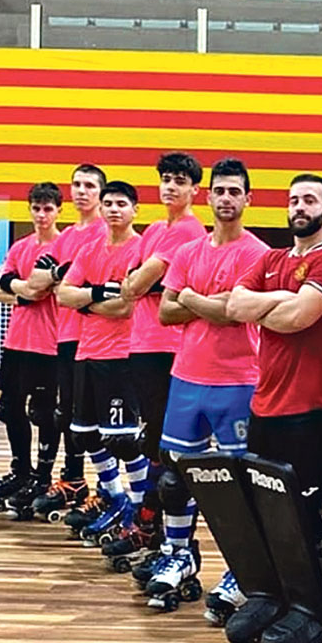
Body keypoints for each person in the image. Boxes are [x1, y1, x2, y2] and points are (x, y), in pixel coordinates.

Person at [226, 173, 322, 643]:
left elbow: (299, 318)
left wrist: (271, 306)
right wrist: (279, 299)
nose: (299, 207)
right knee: (265, 509)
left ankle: (313, 606)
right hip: (266, 404)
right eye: (294, 199)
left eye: (310, 200)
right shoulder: (271, 259)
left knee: (302, 512)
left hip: (312, 408)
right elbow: (235, 307)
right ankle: (274, 596)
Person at [145, 157, 269, 609]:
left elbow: (234, 311)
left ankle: (243, 569)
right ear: (209, 195)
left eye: (235, 191)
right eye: (220, 190)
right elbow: (165, 312)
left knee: (239, 482)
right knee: (175, 477)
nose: (226, 198)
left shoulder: (257, 254)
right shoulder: (188, 252)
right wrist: (207, 302)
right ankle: (179, 555)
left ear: (248, 199)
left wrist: (190, 297)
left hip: (239, 381)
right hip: (187, 378)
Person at [108, 153, 206, 567]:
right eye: (166, 179)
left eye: (180, 181)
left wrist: (139, 283)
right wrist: (139, 282)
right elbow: (130, 285)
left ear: (194, 189)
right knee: (152, 440)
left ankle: (164, 532)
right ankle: (151, 525)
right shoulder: (153, 231)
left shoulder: (188, 230)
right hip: (142, 344)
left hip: (170, 347)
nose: (171, 187)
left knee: (171, 447)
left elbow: (135, 284)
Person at [55, 180, 147, 545]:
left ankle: (139, 509)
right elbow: (63, 294)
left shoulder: (141, 250)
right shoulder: (90, 249)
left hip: (122, 356)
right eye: (108, 203)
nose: (113, 210)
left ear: (135, 210)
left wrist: (84, 304)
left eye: (121, 204)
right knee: (85, 434)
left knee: (123, 440)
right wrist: (96, 294)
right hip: (86, 353)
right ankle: (115, 498)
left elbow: (126, 306)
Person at [26, 164, 107, 521]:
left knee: (99, 419)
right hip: (65, 333)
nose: (81, 191)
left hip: (98, 337)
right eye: (76, 184)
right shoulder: (66, 237)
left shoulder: (106, 232)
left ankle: (107, 490)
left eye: (89, 185)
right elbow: (40, 282)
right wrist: (63, 278)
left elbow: (95, 285)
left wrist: (65, 282)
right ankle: (73, 478)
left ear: (101, 193)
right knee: (68, 414)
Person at [0, 182, 63, 513]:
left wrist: (17, 286)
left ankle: (43, 477)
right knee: (8, 407)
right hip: (17, 340)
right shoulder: (20, 248)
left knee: (44, 412)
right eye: (36, 208)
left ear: (58, 211)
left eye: (48, 209)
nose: (41, 215)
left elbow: (39, 289)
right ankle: (21, 470)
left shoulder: (64, 247)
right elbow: (0, 292)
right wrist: (23, 292)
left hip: (50, 342)